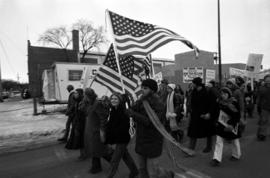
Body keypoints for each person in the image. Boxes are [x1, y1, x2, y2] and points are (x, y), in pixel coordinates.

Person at [127, 79, 165, 178]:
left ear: (152, 90)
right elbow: (132, 109)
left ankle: (167, 175)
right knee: (142, 169)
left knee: (153, 172)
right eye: (142, 88)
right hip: (141, 140)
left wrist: (133, 114)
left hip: (153, 141)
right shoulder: (141, 100)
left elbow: (152, 122)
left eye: (145, 88)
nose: (142, 90)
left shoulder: (159, 103)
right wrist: (125, 101)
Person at [100, 92, 138, 178]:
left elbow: (124, 127)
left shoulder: (124, 111)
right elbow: (111, 125)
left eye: (115, 99)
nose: (113, 100)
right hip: (118, 138)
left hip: (123, 138)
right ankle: (134, 171)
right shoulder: (113, 109)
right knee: (125, 155)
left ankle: (109, 176)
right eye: (112, 99)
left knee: (114, 160)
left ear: (120, 100)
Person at [83, 88, 112, 174]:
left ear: (88, 96)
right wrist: (84, 102)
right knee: (95, 150)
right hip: (91, 131)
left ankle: (114, 161)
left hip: (96, 131)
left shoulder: (97, 104)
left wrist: (102, 130)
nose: (84, 97)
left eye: (85, 95)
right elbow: (83, 110)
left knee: (99, 150)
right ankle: (96, 167)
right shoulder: (89, 103)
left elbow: (103, 118)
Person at [211, 87, 241, 166]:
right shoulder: (219, 102)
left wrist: (232, 124)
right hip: (221, 124)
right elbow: (216, 112)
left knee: (235, 140)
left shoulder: (233, 102)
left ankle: (236, 155)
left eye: (225, 94)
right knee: (218, 141)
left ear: (229, 94)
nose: (223, 95)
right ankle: (216, 159)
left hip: (231, 124)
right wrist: (214, 120)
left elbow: (237, 115)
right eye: (222, 94)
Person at [187, 77, 213, 152]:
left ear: (197, 84)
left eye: (193, 83)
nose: (192, 84)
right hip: (195, 115)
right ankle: (191, 149)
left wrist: (208, 113)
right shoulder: (194, 91)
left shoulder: (206, 91)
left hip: (204, 115)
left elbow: (210, 104)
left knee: (208, 131)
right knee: (193, 132)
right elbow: (192, 102)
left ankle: (209, 146)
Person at [256, 74, 270, 141]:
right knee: (264, 121)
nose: (268, 81)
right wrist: (258, 105)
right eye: (267, 80)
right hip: (264, 107)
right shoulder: (262, 88)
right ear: (265, 80)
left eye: (269, 80)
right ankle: (262, 134)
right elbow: (259, 97)